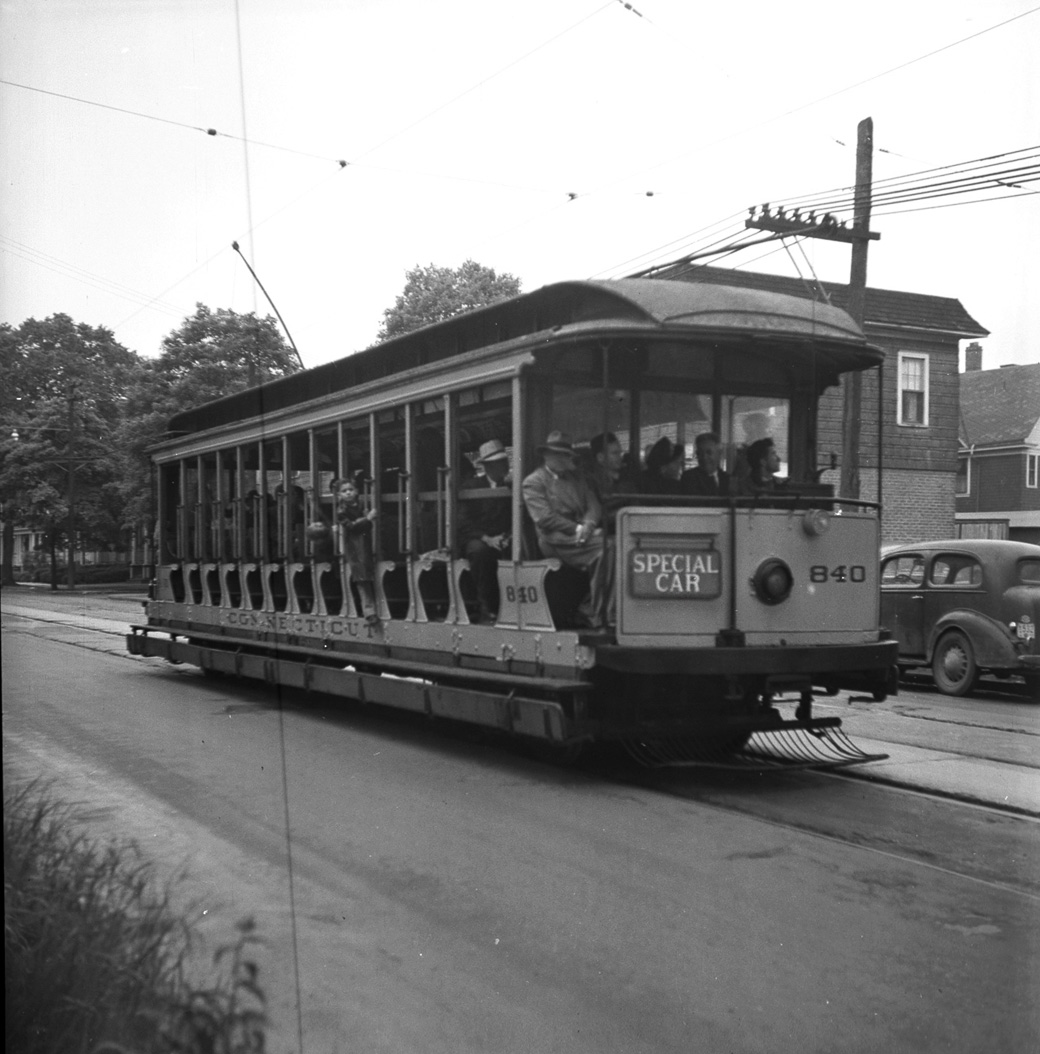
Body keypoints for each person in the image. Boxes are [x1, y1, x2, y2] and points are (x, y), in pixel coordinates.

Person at [522, 430, 615, 629]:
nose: (568, 459)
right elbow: (545, 518)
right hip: (555, 539)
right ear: (549, 456)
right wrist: (577, 528)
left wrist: (588, 526)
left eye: (567, 455)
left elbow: (594, 506)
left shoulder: (577, 478)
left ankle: (593, 607)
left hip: (581, 534)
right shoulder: (534, 481)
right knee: (608, 548)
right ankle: (596, 612)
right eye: (562, 455)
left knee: (617, 545)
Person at [458, 439, 512, 623]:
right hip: (478, 536)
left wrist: (508, 535)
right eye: (499, 463)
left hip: (505, 536)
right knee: (480, 553)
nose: (505, 466)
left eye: (505, 462)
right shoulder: (471, 486)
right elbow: (464, 522)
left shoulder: (511, 485)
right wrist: (487, 538)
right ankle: (487, 608)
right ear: (488, 466)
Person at [331, 476, 379, 623]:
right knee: (362, 578)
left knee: (371, 575)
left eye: (350, 490)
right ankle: (369, 611)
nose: (348, 493)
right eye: (344, 491)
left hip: (368, 544)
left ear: (356, 491)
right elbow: (351, 527)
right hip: (355, 547)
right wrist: (368, 519)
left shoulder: (363, 504)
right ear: (339, 495)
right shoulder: (341, 511)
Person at [682, 431, 731, 496]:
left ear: (719, 453)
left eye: (709, 453)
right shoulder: (689, 477)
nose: (704, 457)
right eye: (700, 453)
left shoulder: (727, 479)